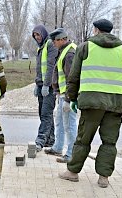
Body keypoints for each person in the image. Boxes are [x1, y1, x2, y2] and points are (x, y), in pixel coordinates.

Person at [58, 19, 122, 188]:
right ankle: (103, 178)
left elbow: (74, 76)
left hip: (91, 102)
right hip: (116, 103)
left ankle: (72, 172)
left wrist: (71, 98)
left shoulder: (85, 47)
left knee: (83, 139)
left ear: (96, 30)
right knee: (109, 142)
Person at [44, 28, 78, 163]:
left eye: (55, 41)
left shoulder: (70, 53)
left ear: (62, 40)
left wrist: (69, 100)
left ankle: (71, 154)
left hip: (68, 96)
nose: (53, 44)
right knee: (60, 122)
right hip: (62, 94)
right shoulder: (64, 50)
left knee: (69, 125)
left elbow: (72, 79)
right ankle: (58, 147)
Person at [32, 24, 58, 152]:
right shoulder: (41, 48)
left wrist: (47, 84)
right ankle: (50, 140)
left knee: (46, 114)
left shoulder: (50, 45)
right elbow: (39, 69)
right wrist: (37, 84)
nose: (37, 37)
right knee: (44, 114)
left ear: (43, 33)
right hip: (42, 85)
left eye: (38, 34)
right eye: (35, 35)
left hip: (49, 87)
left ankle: (40, 141)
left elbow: (50, 67)